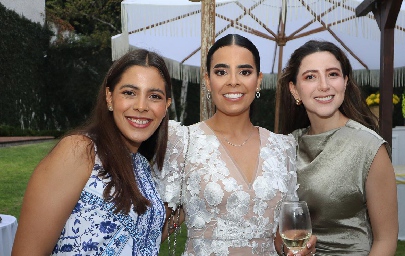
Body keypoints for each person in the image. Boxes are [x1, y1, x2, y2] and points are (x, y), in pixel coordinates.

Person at [153, 34, 316, 256]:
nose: (233, 81)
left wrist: (297, 248)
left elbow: (281, 239)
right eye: (221, 72)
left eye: (244, 72)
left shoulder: (283, 147)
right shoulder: (182, 141)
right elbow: (156, 227)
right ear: (208, 80)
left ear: (258, 80)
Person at [12, 49, 172, 255]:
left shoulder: (142, 166)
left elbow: (141, 241)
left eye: (154, 96)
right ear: (109, 97)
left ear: (166, 105)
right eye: (129, 92)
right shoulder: (80, 151)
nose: (141, 106)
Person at [279, 40, 398, 255]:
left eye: (332, 74)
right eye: (310, 77)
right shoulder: (285, 146)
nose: (324, 85)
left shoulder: (369, 148)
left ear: (345, 82)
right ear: (294, 89)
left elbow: (386, 241)